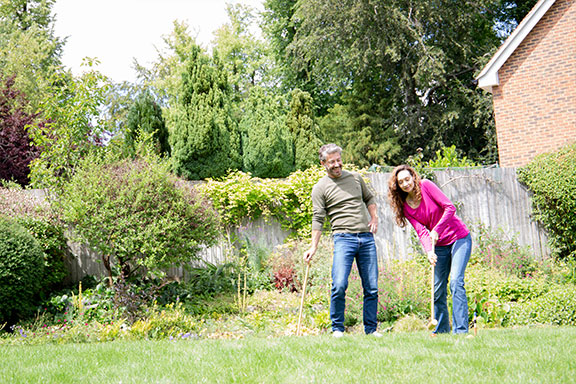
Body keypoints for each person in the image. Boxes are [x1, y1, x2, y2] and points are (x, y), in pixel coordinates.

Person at [304, 143, 381, 338]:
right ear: (323, 163)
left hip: (366, 238)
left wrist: (374, 218)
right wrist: (314, 246)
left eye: (339, 160)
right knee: (339, 285)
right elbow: (318, 218)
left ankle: (371, 330)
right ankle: (337, 328)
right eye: (332, 162)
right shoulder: (320, 188)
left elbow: (369, 198)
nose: (337, 164)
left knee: (371, 286)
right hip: (343, 239)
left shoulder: (355, 178)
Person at [388, 165, 472, 334]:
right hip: (439, 246)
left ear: (413, 177)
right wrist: (429, 252)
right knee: (437, 288)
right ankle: (441, 331)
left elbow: (450, 208)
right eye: (401, 182)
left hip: (459, 239)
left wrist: (437, 230)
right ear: (397, 186)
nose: (405, 184)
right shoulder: (406, 207)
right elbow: (421, 231)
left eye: (407, 179)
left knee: (456, 282)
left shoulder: (426, 185)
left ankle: (461, 331)